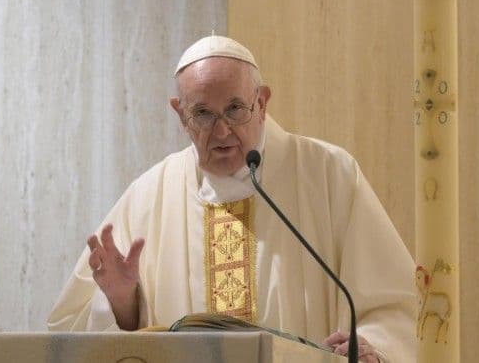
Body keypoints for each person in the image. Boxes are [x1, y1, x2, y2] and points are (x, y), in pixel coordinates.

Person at [48, 35, 416, 363]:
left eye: (236, 109)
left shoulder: (328, 175)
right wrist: (122, 303)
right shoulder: (149, 196)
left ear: (263, 102)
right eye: (203, 114)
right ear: (180, 114)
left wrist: (370, 348)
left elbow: (393, 306)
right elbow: (73, 331)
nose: (222, 131)